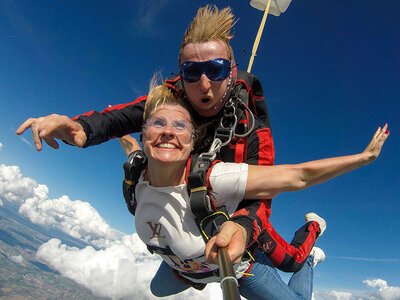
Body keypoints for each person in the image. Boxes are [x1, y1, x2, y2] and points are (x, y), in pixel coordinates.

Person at [16, 5, 322, 273]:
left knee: (291, 262)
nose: (204, 84)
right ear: (181, 72)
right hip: (196, 202)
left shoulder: (252, 124)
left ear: (231, 72)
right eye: (192, 72)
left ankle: (314, 228)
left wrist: (242, 226)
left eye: (215, 70)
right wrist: (80, 128)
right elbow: (125, 115)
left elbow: (263, 188)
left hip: (233, 202)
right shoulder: (173, 94)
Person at [123, 82, 388, 299]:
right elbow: (124, 137)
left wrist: (363, 158)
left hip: (239, 269)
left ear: (193, 140)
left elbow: (298, 176)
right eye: (157, 123)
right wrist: (88, 128)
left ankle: (310, 260)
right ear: (144, 133)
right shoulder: (137, 174)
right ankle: (198, 276)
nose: (167, 132)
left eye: (180, 126)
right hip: (183, 268)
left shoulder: (213, 178)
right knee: (156, 290)